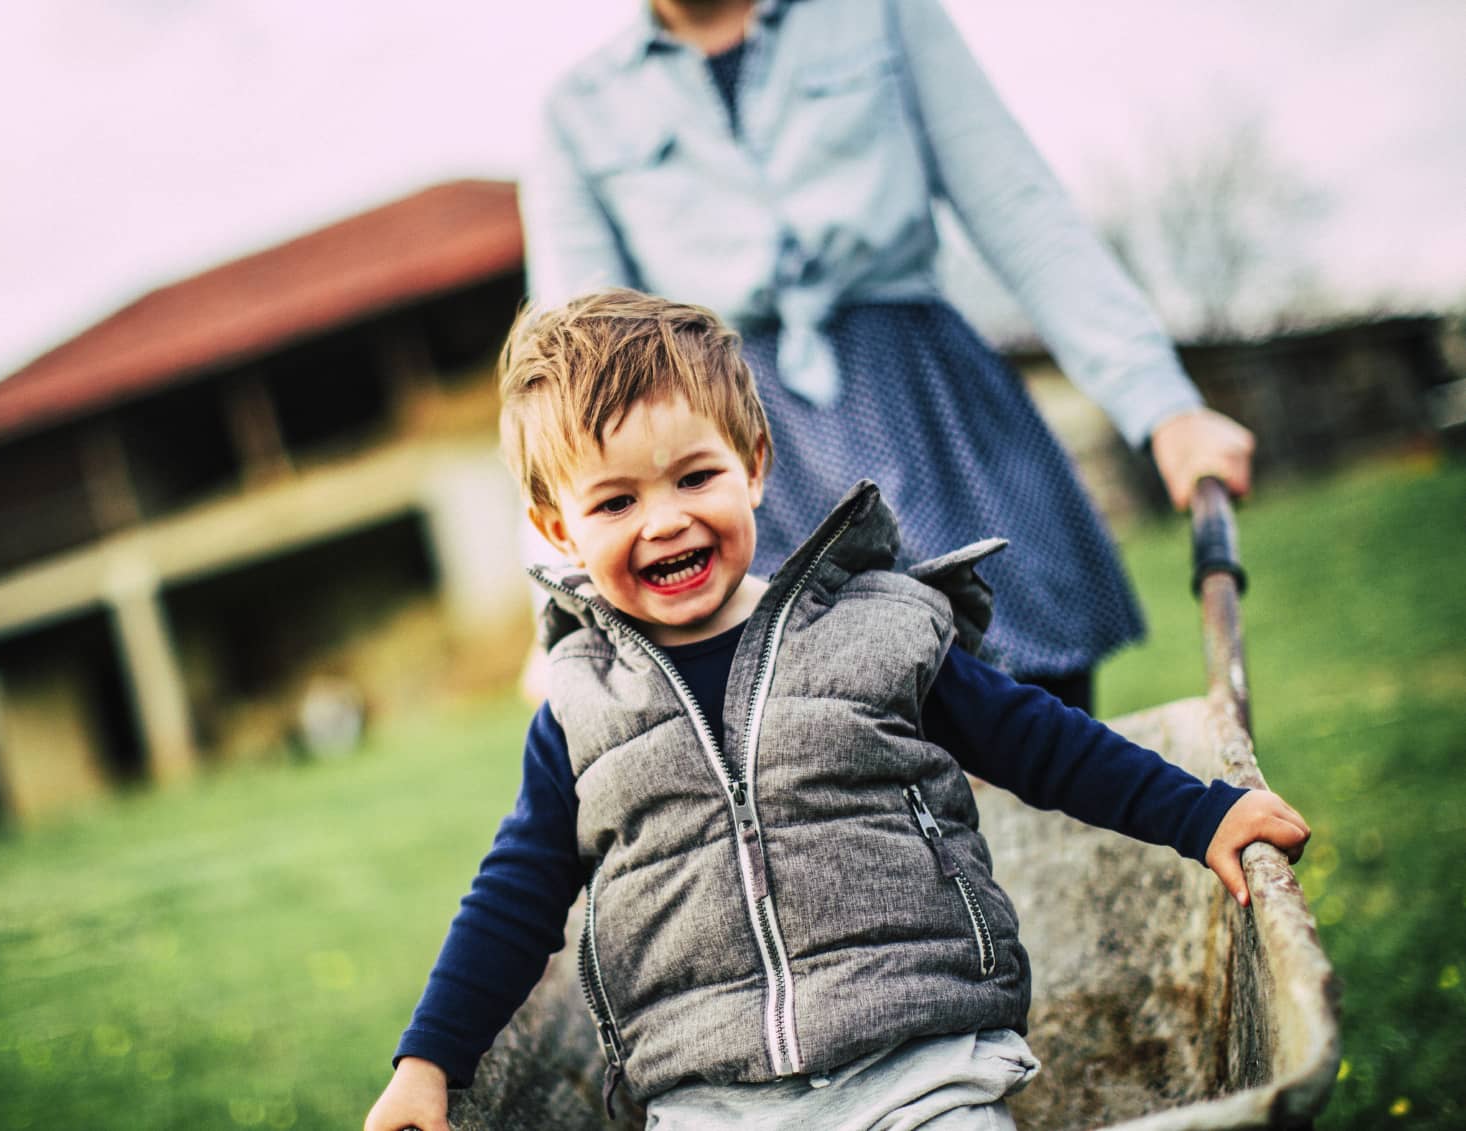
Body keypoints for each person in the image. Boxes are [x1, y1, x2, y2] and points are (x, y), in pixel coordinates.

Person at [363, 291, 1307, 1131]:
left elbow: (1041, 742)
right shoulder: (580, 707)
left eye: (695, 477)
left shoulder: (874, 627)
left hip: (921, 1061)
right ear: (559, 527)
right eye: (615, 501)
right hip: (708, 1094)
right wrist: (429, 1061)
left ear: (754, 464)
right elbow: (516, 894)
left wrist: (1205, 813)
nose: (665, 520)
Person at [520, 0, 1255, 713]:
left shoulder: (881, 12)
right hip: (745, 454)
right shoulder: (580, 109)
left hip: (932, 410)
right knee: (815, 733)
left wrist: (1167, 409)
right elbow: (572, 377)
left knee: (1026, 705)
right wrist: (554, 608)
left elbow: (1021, 207)